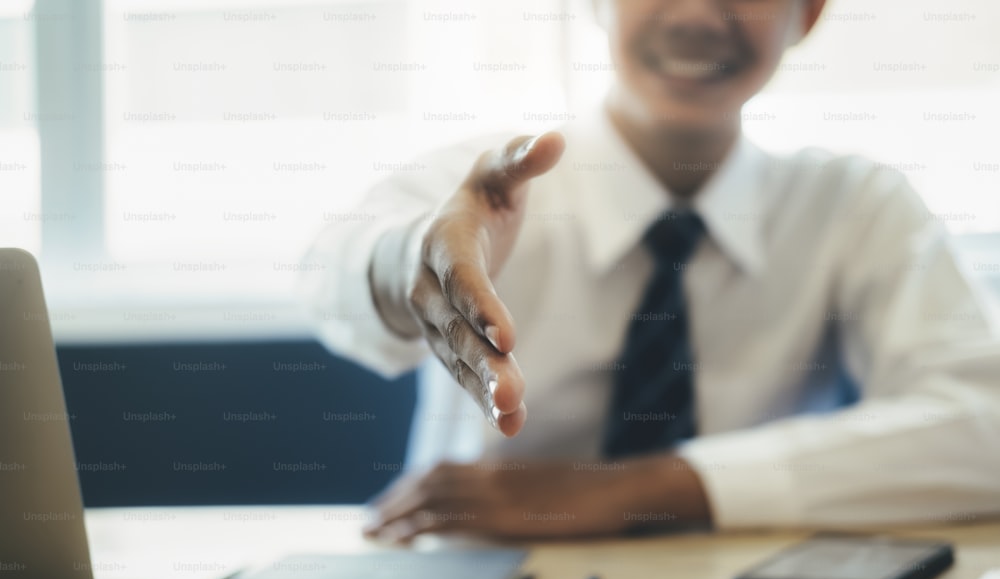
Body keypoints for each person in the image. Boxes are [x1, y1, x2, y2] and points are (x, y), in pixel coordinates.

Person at [300, 0, 1000, 541]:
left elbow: (985, 425)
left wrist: (645, 486)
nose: (697, 14)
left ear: (808, 11)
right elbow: (333, 274)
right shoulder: (486, 184)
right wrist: (413, 264)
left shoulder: (853, 207)